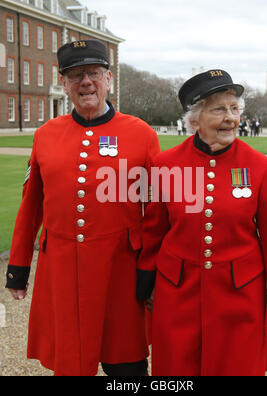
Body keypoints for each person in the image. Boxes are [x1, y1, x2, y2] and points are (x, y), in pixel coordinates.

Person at [5, 40, 160, 376]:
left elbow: (159, 211)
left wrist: (156, 271)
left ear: (108, 79)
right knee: (72, 364)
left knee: (128, 367)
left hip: (122, 270)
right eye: (75, 75)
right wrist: (18, 266)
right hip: (62, 270)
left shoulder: (141, 134)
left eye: (93, 73)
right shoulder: (46, 135)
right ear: (64, 84)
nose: (85, 82)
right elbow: (32, 204)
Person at [136, 69, 267, 376]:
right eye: (219, 109)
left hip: (239, 298)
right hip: (177, 294)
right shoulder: (166, 165)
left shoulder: (259, 166)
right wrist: (145, 284)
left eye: (234, 108)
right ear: (194, 119)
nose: (231, 118)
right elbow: (154, 230)